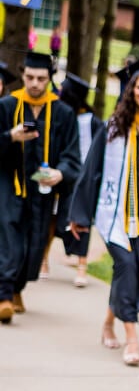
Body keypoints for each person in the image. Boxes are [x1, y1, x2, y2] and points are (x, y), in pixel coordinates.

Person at [68, 56, 139, 366]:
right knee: (128, 267)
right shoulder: (114, 128)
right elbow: (91, 171)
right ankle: (132, 338)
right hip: (114, 214)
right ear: (131, 91)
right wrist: (80, 214)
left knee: (133, 272)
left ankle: (108, 323)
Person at [0, 52, 81, 324]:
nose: (35, 84)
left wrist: (61, 173)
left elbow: (72, 154)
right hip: (9, 184)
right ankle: (4, 297)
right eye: (30, 77)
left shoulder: (63, 112)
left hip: (42, 190)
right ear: (23, 75)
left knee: (34, 245)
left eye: (41, 79)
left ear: (49, 79)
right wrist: (10, 136)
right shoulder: (7, 106)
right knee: (10, 239)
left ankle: (16, 288)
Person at [52, 74, 102, 288]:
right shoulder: (63, 116)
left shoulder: (91, 121)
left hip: (85, 178)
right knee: (56, 218)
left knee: (82, 220)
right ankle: (44, 261)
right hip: (66, 174)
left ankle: (82, 265)